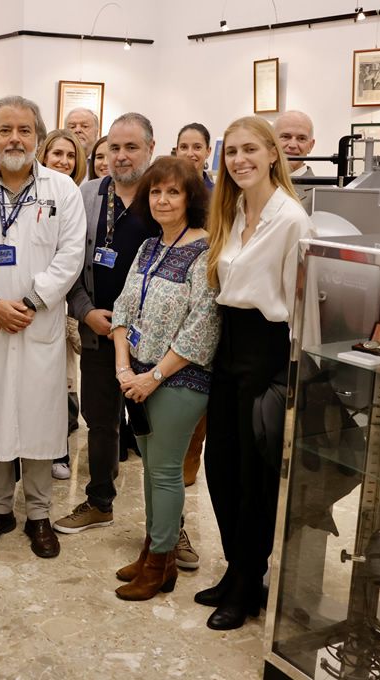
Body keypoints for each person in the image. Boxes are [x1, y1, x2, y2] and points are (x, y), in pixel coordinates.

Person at [0, 95, 86, 560]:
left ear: (39, 138)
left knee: (40, 421)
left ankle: (40, 514)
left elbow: (70, 257)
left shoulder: (61, 190)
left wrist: (27, 302)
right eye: (5, 130)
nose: (14, 139)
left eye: (25, 130)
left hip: (37, 324)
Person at [199, 116, 315, 630]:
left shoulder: (291, 219)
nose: (240, 160)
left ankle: (249, 580)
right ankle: (236, 569)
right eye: (231, 152)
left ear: (273, 154)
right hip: (228, 348)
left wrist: (288, 376)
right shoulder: (230, 210)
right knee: (221, 469)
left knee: (256, 478)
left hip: (268, 352)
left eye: (250, 150)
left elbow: (300, 306)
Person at [108, 157, 219, 601]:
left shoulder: (207, 250)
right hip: (135, 376)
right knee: (151, 473)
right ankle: (159, 555)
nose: (162, 199)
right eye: (156, 191)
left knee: (167, 472)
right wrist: (123, 367)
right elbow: (121, 309)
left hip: (179, 382)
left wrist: (152, 376)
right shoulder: (149, 247)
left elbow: (202, 328)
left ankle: (159, 562)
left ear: (191, 198)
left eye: (173, 192)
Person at [55, 113, 156, 537]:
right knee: (100, 423)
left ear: (150, 149)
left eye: (131, 147)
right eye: (114, 147)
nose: (121, 155)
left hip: (152, 341)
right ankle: (99, 501)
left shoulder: (165, 193)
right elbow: (69, 265)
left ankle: (169, 525)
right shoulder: (88, 194)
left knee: (155, 435)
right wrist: (84, 312)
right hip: (99, 329)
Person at [37, 129, 88, 479]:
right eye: (56, 153)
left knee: (63, 381)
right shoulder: (35, 194)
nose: (63, 161)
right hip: (36, 299)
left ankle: (59, 451)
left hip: (68, 299)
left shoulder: (79, 195)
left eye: (70, 155)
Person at [173, 122, 215, 493]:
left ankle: (189, 469)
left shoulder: (221, 195)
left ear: (207, 151)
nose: (190, 152)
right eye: (183, 145)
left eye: (197, 146)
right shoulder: (169, 192)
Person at [274, 110, 316, 208]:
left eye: (301, 138)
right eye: (285, 137)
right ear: (272, 140)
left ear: (311, 146)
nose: (292, 145)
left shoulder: (324, 194)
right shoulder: (254, 186)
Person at [175, 123, 215, 191]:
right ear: (177, 151)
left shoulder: (218, 195)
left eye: (197, 147)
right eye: (184, 147)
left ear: (208, 151)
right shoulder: (163, 190)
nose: (189, 154)